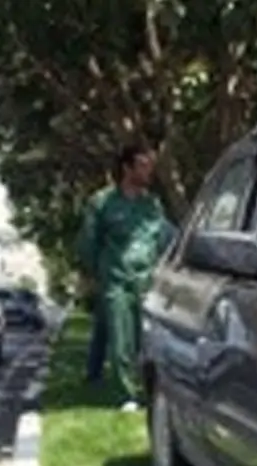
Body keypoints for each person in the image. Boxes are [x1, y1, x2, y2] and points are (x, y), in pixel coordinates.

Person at [76, 143, 174, 411]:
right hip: (116, 280)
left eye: (150, 166)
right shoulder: (102, 202)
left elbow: (165, 237)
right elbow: (89, 242)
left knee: (147, 339)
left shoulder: (152, 204)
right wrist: (96, 275)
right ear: (126, 168)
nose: (148, 171)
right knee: (120, 339)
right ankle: (126, 395)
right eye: (143, 165)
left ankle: (148, 389)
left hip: (147, 280)